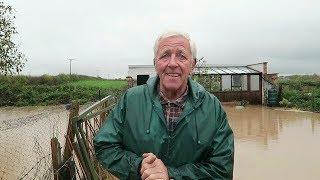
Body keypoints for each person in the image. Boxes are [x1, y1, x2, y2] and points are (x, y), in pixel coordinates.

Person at [94, 31, 234, 179]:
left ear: (192, 64)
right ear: (155, 63)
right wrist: (139, 166)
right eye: (165, 55)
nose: (173, 63)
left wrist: (172, 175)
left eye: (181, 56)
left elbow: (222, 169)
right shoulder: (131, 100)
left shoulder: (212, 107)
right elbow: (104, 146)